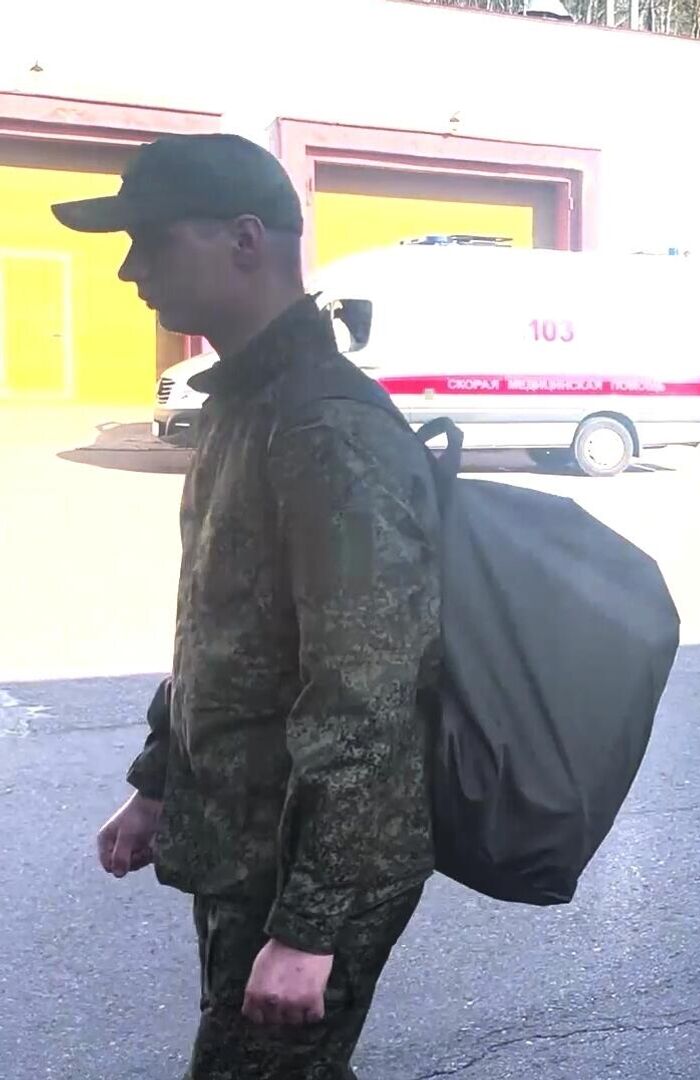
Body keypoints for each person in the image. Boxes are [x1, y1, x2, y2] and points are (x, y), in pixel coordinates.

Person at [68, 134, 441, 1079]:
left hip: (314, 865)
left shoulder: (326, 426)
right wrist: (159, 780)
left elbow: (368, 695)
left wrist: (310, 924)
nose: (129, 271)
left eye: (151, 240)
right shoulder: (248, 403)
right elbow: (223, 631)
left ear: (244, 240)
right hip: (253, 844)